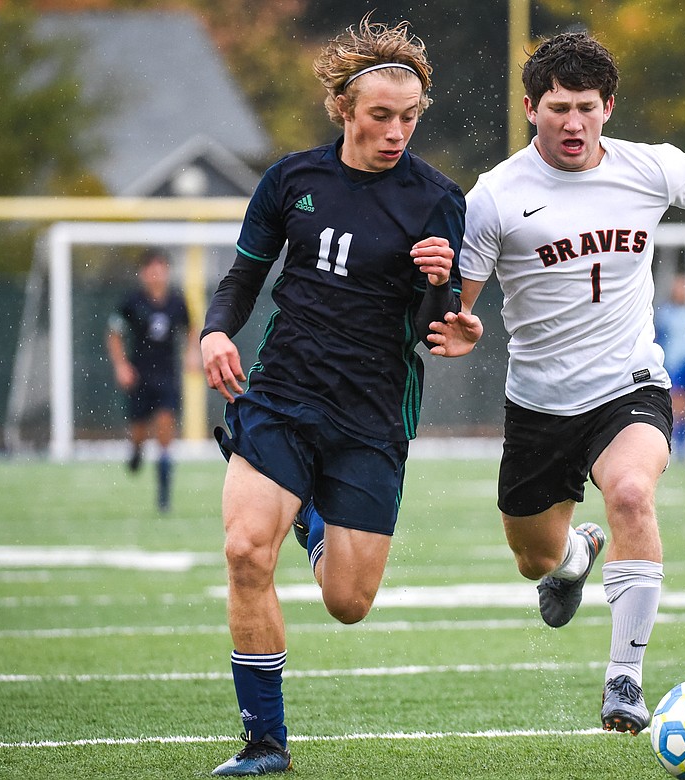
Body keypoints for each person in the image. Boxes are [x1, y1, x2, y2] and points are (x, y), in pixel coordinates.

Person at [427, 32, 685, 736]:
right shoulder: (494, 197)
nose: (572, 123)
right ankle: (576, 554)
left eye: (585, 106)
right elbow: (460, 304)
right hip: (541, 402)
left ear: (609, 106)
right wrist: (458, 326)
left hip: (629, 384)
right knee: (534, 559)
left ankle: (625, 681)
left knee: (634, 493)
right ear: (530, 108)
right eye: (557, 108)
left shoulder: (652, 168)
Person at [199, 16, 465, 776]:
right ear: (344, 110)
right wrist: (218, 333)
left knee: (348, 602)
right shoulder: (292, 180)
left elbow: (429, 329)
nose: (396, 133)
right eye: (381, 117)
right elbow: (242, 278)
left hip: (371, 414)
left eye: (409, 119)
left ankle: (311, 514)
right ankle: (264, 745)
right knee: (245, 550)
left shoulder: (439, 200)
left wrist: (439, 285)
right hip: (282, 393)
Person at [105, 247, 195, 512]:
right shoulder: (132, 302)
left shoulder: (177, 302)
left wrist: (192, 355)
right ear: (143, 273)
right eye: (150, 269)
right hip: (140, 377)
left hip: (167, 377)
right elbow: (114, 333)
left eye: (160, 268)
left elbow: (191, 331)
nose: (155, 274)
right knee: (139, 432)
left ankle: (164, 497)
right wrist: (121, 366)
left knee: (166, 425)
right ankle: (135, 451)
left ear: (166, 271)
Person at [654, 273, 685, 459]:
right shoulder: (665, 313)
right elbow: (658, 338)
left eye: (684, 287)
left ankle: (682, 447)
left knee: (683, 408)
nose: (682, 291)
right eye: (679, 287)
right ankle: (671, 444)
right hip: (670, 364)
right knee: (673, 406)